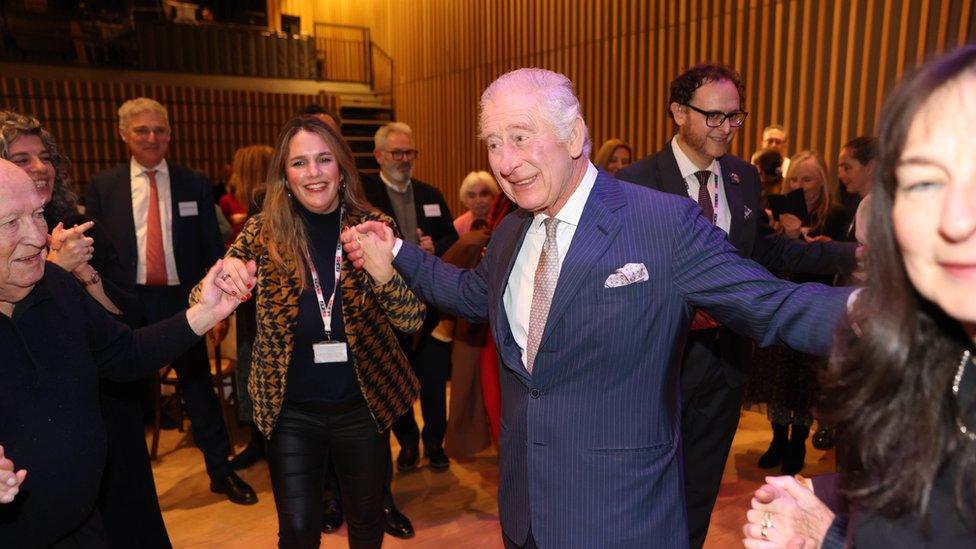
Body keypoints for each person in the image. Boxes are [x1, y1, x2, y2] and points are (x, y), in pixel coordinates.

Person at [341, 67, 854, 549]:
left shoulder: (662, 223)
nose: (504, 161)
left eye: (520, 137)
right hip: (526, 510)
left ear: (573, 135)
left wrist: (893, 317)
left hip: (620, 515)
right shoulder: (513, 231)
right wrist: (400, 253)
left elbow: (773, 303)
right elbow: (474, 296)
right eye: (494, 144)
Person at [742, 44, 976, 549]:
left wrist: (826, 533)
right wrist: (826, 513)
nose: (956, 220)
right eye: (925, 182)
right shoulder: (925, 354)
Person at [616, 63, 858, 548]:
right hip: (655, 364)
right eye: (714, 117)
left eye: (735, 117)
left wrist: (849, 252)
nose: (726, 128)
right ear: (678, 112)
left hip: (725, 361)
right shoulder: (634, 182)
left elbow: (767, 250)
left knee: (700, 487)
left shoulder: (744, 177)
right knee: (645, 488)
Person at [0, 158, 251, 548]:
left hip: (84, 528)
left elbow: (126, 354)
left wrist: (205, 313)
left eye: (38, 214)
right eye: (11, 223)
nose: (37, 236)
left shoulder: (57, 285)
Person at [204, 116, 425, 549]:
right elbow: (202, 297)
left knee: (366, 523)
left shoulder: (373, 225)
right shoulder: (264, 229)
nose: (313, 173)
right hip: (292, 412)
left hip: (363, 407)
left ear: (341, 166)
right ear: (284, 175)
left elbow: (412, 318)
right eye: (299, 162)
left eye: (324, 159)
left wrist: (384, 276)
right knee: (298, 531)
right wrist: (224, 271)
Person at [0, 110, 174, 548]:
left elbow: (126, 323)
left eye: (44, 156)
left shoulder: (78, 217)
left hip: (97, 407)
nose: (38, 167)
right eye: (21, 159)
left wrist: (76, 277)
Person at [85, 97, 256, 505]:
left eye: (160, 130)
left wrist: (220, 306)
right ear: (123, 134)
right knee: (126, 399)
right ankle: (127, 490)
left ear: (170, 135)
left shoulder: (193, 181)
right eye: (142, 130)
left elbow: (211, 246)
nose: (151, 137)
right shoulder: (102, 186)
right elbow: (96, 252)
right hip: (125, 304)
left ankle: (221, 472)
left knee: (199, 389)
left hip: (185, 303)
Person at [361, 121, 458, 475]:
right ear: (378, 156)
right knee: (397, 382)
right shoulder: (364, 194)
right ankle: (407, 445)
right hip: (386, 309)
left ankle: (435, 444)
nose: (404, 160)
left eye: (409, 153)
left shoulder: (430, 194)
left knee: (433, 380)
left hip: (428, 306)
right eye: (397, 153)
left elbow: (451, 239)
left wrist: (437, 246)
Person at [757, 150, 852, 475]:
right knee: (778, 378)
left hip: (818, 306)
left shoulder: (836, 216)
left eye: (807, 178)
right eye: (795, 178)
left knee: (805, 381)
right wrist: (785, 234)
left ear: (821, 182)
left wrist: (809, 242)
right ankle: (777, 439)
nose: (800, 185)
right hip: (784, 302)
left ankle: (798, 441)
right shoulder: (777, 212)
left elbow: (839, 262)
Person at [453, 170, 500, 235]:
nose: (478, 201)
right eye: (472, 195)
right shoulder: (458, 226)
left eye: (483, 194)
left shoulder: (504, 221)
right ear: (465, 199)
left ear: (493, 195)